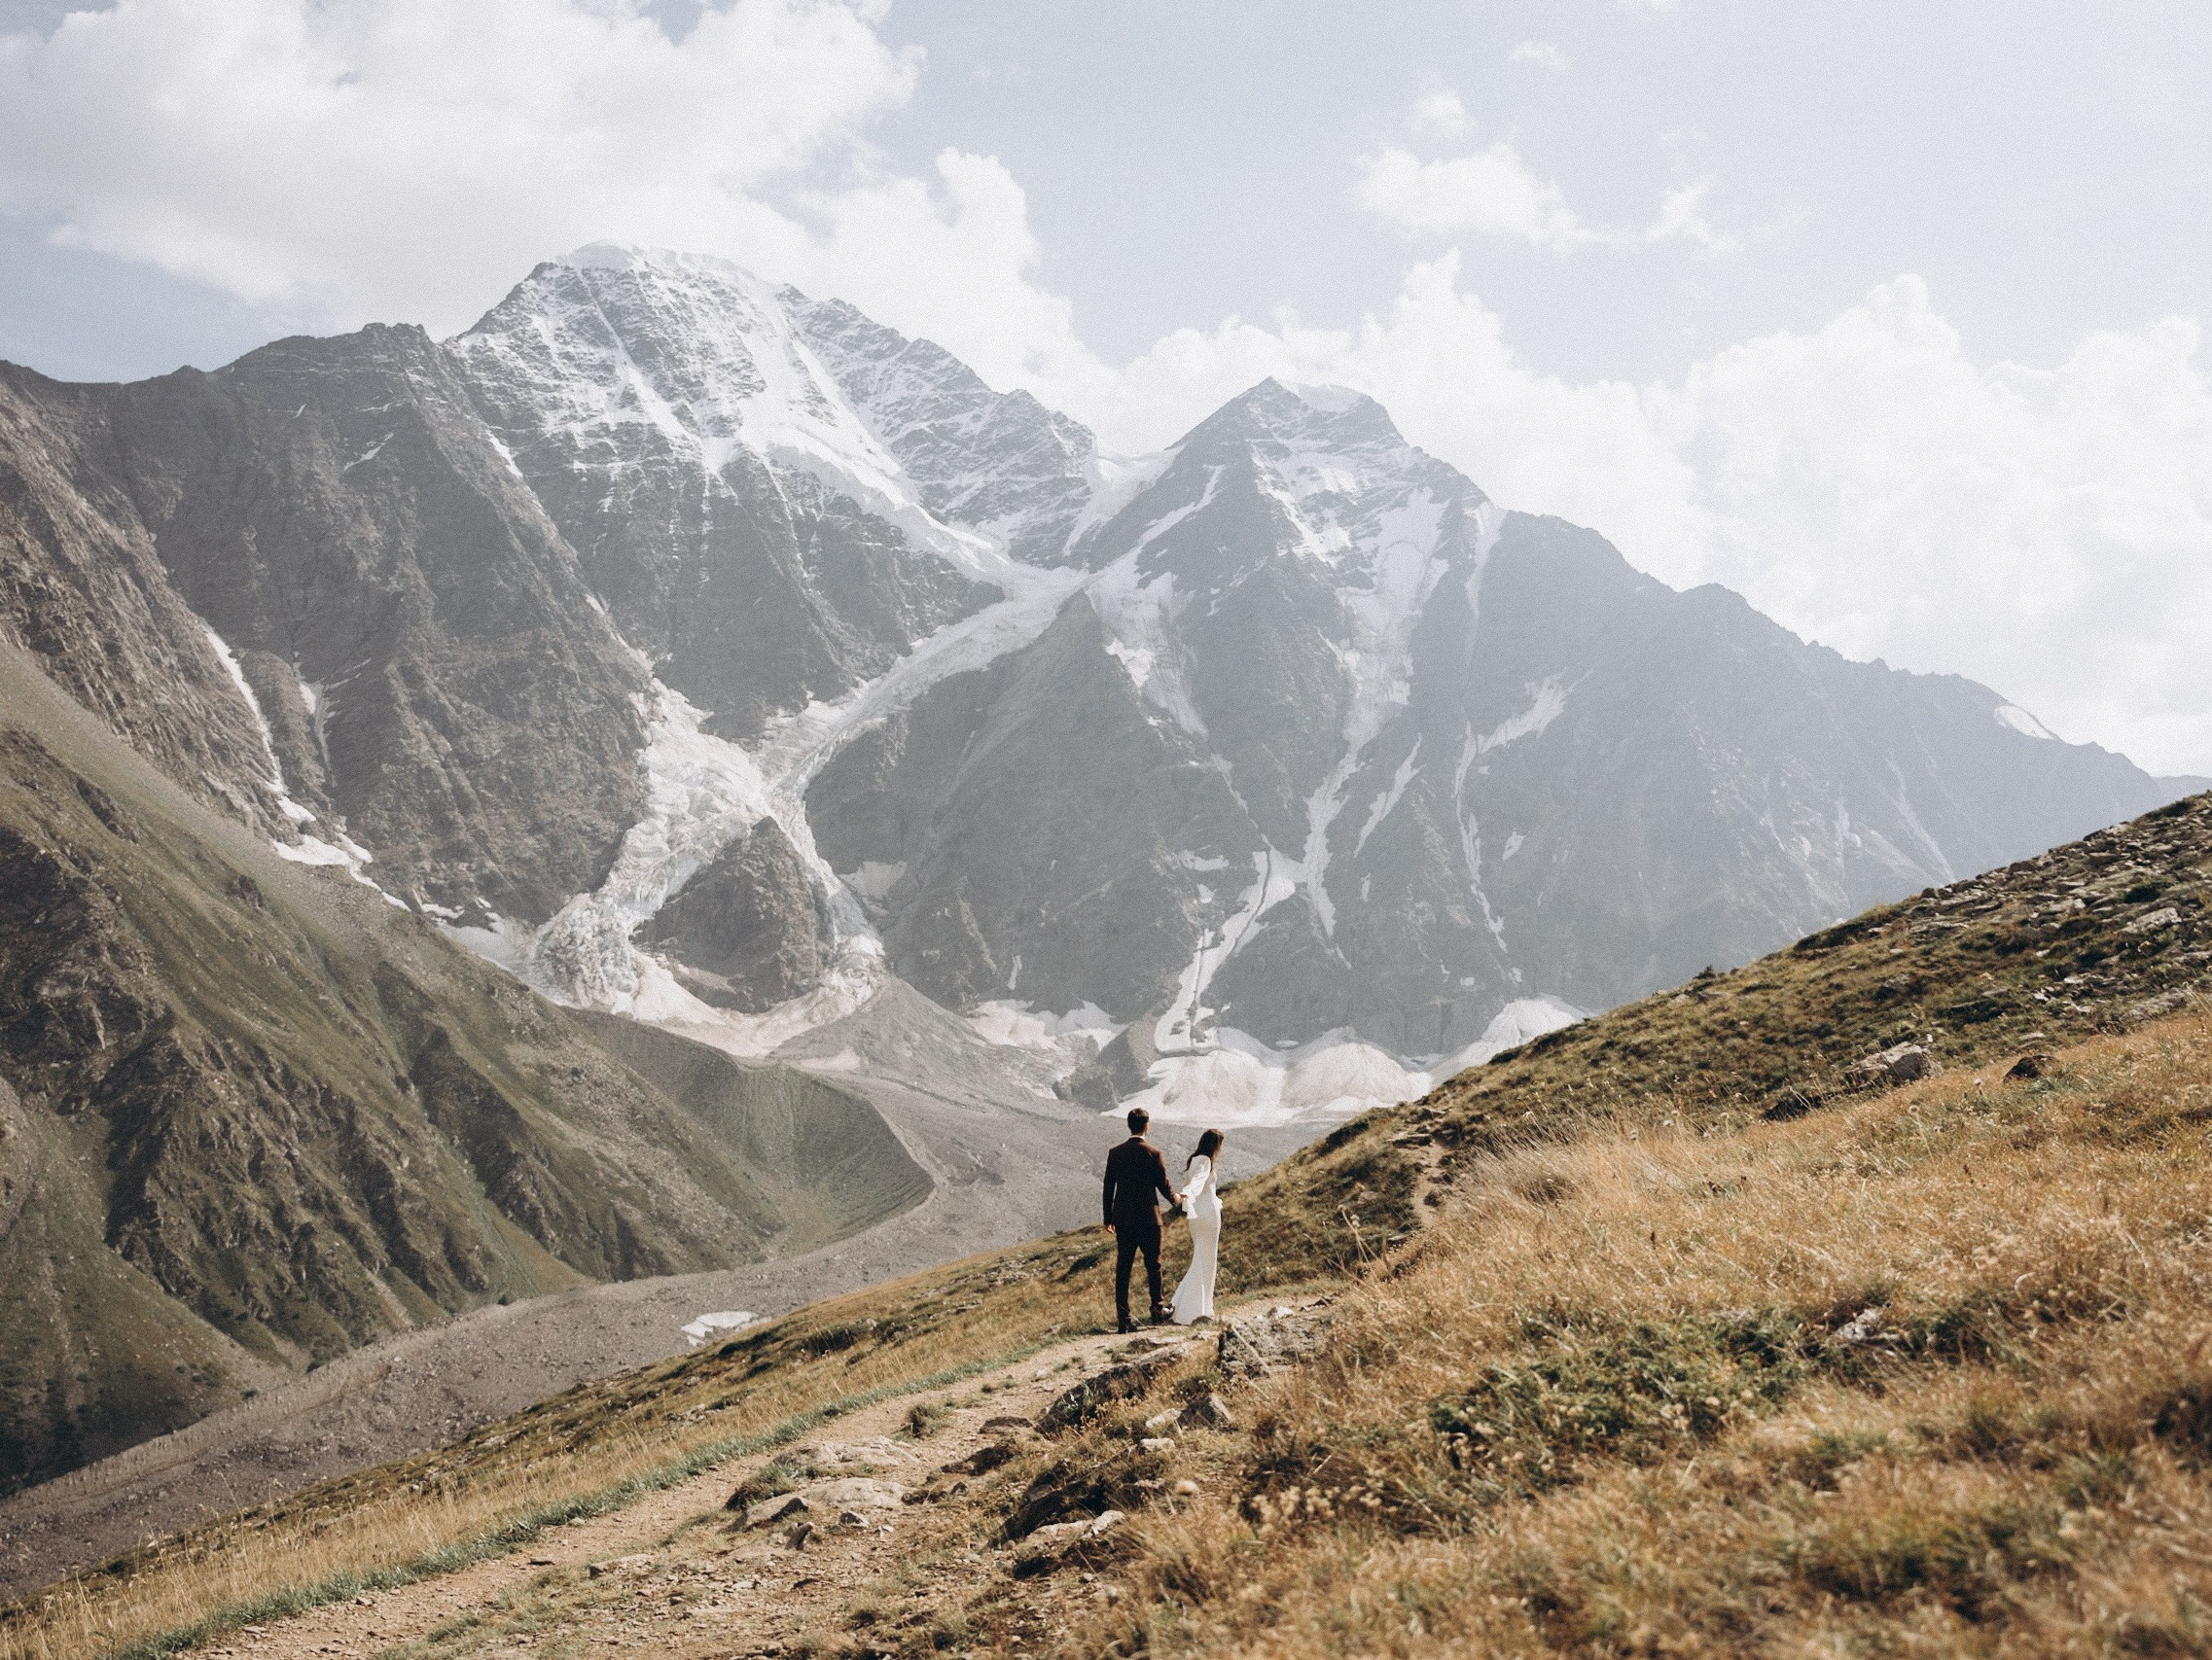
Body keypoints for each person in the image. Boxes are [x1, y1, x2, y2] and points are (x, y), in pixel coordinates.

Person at [1101, 1106, 1177, 1331]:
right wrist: (1176, 1201)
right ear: (1146, 1126)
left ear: (1129, 1126)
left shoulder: (1115, 1153)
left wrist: (1108, 1218)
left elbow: (1108, 1187)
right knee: (1154, 1265)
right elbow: (1162, 1184)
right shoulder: (1153, 1153)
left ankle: (1124, 1321)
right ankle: (1157, 1312)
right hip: (1149, 1219)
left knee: (1123, 1268)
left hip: (1123, 1219)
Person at [1168, 1129, 1225, 1324]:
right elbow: (1198, 1182)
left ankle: (1189, 1306)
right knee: (1207, 1260)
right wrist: (1187, 1193)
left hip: (1196, 1216)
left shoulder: (1194, 1159)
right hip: (1207, 1215)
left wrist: (1189, 1194)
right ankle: (1200, 1309)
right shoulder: (1205, 1160)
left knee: (1200, 1258)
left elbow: (1196, 1182)